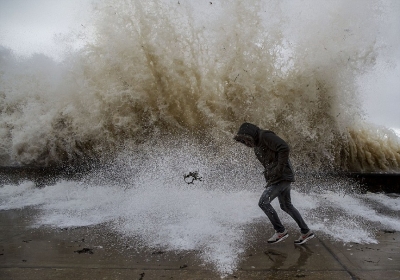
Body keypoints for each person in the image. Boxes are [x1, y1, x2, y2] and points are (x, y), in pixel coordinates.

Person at [234, 122, 314, 245]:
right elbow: (269, 164)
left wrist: (279, 169)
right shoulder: (257, 145)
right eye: (243, 142)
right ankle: (306, 231)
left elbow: (284, 147)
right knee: (286, 206)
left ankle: (280, 231)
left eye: (246, 140)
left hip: (282, 177)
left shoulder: (265, 136)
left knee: (263, 202)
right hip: (278, 178)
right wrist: (270, 175)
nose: (246, 144)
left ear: (250, 135)